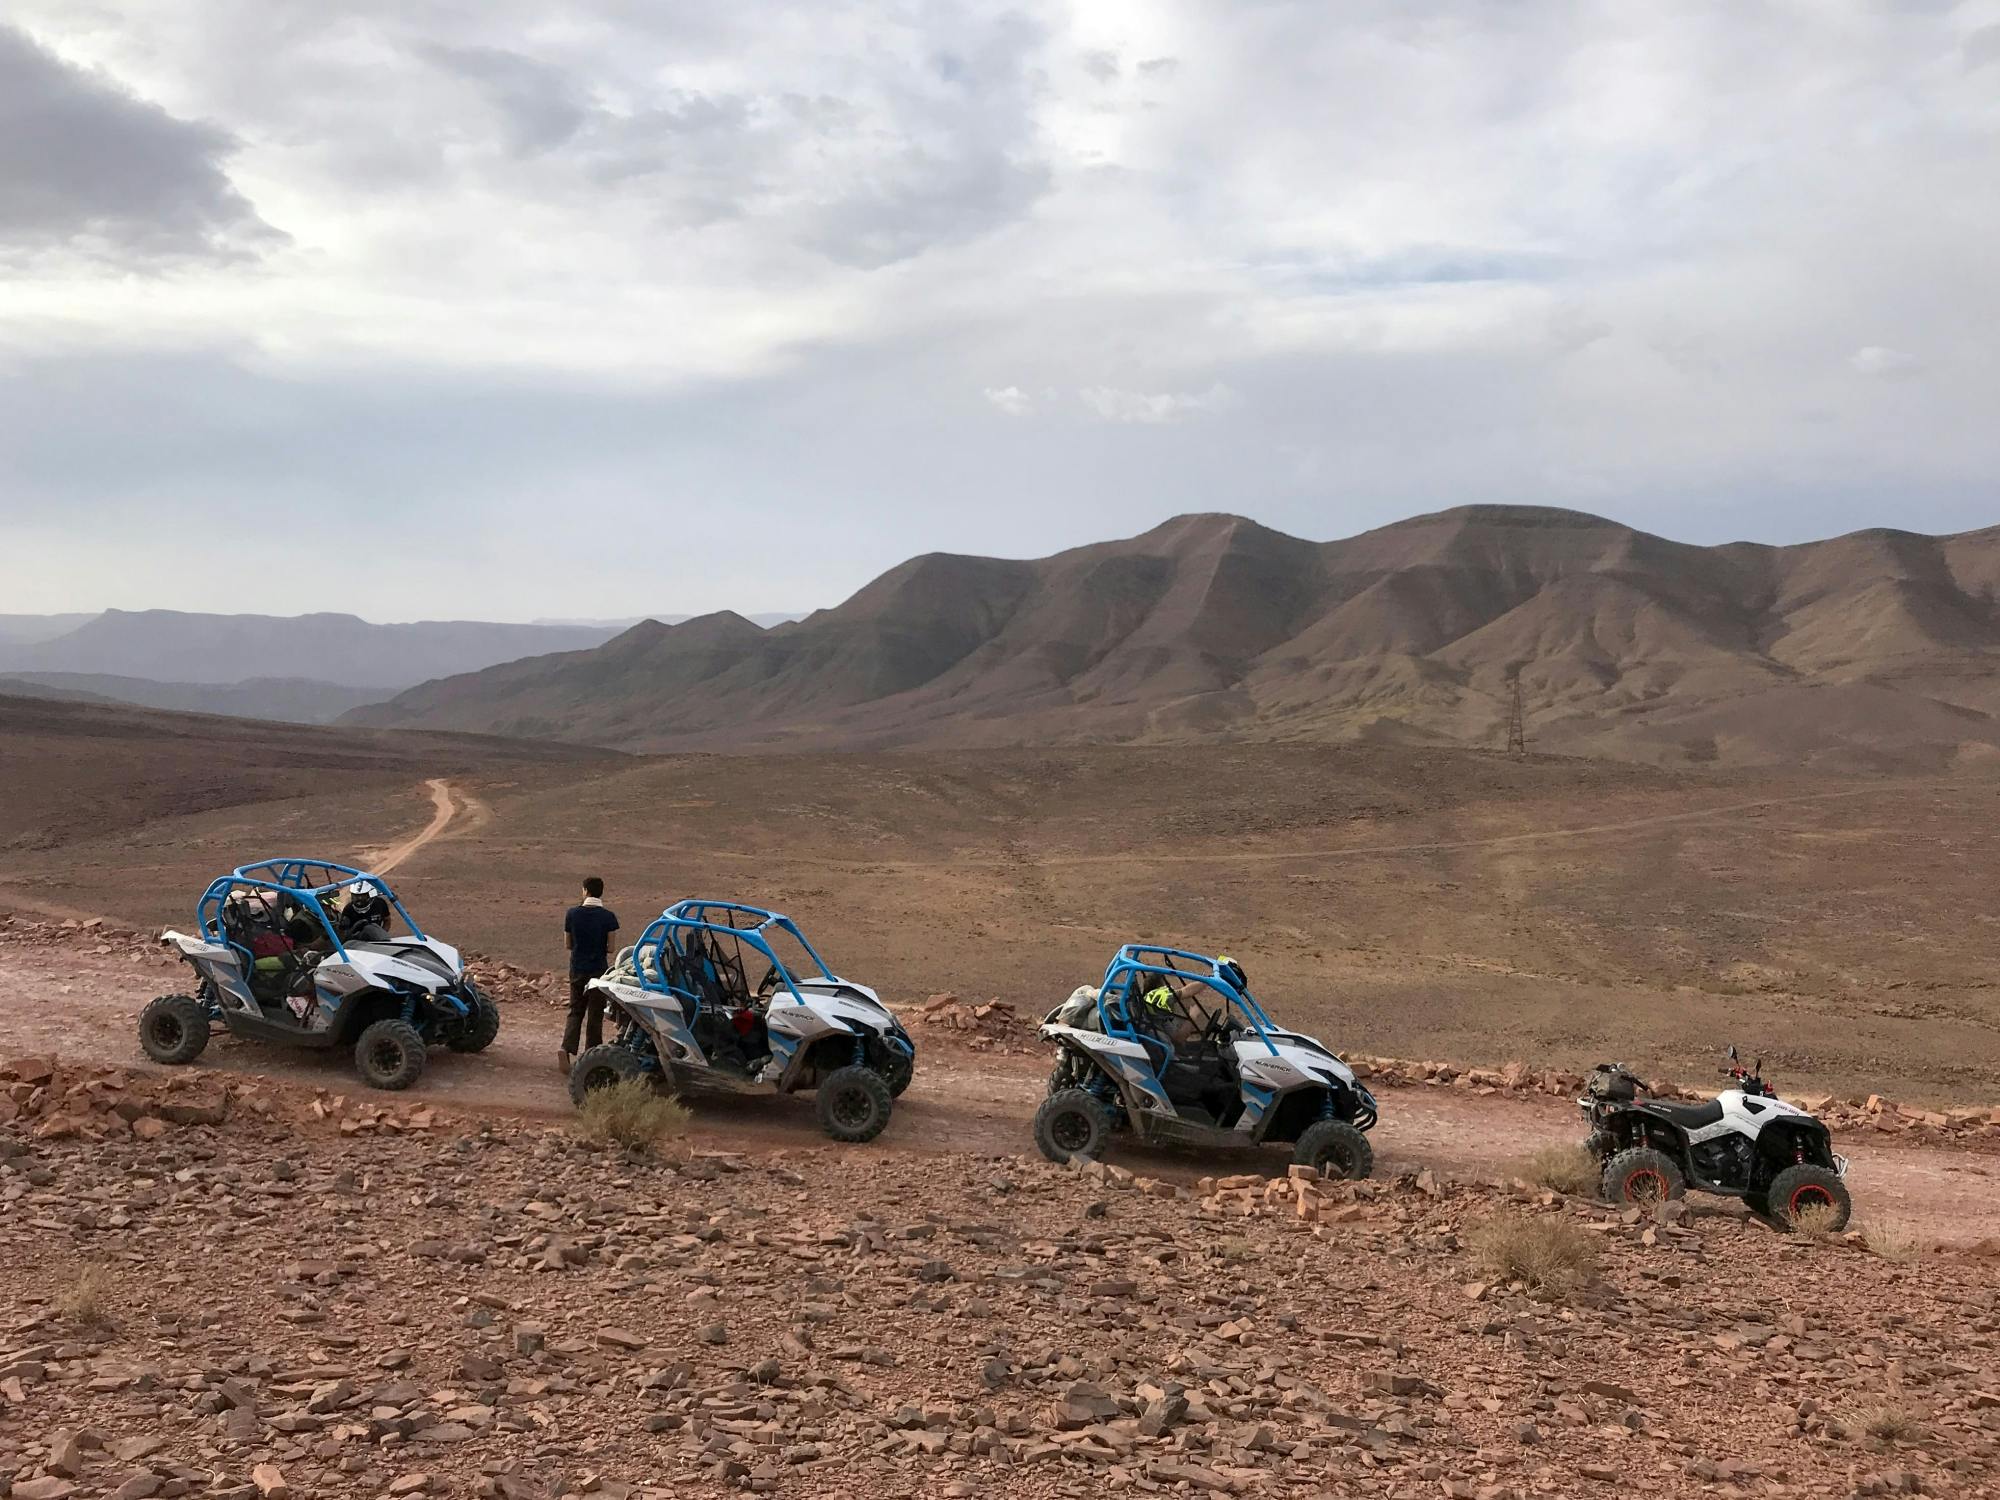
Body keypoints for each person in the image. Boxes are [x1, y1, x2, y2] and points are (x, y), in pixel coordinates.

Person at [560, 876, 620, 1073]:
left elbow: (568, 944)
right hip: (598, 971)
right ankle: (591, 1058)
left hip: (577, 968)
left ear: (585, 891)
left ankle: (566, 1049)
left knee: (575, 1010)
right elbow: (611, 948)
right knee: (595, 1014)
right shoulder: (608, 917)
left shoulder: (572, 914)